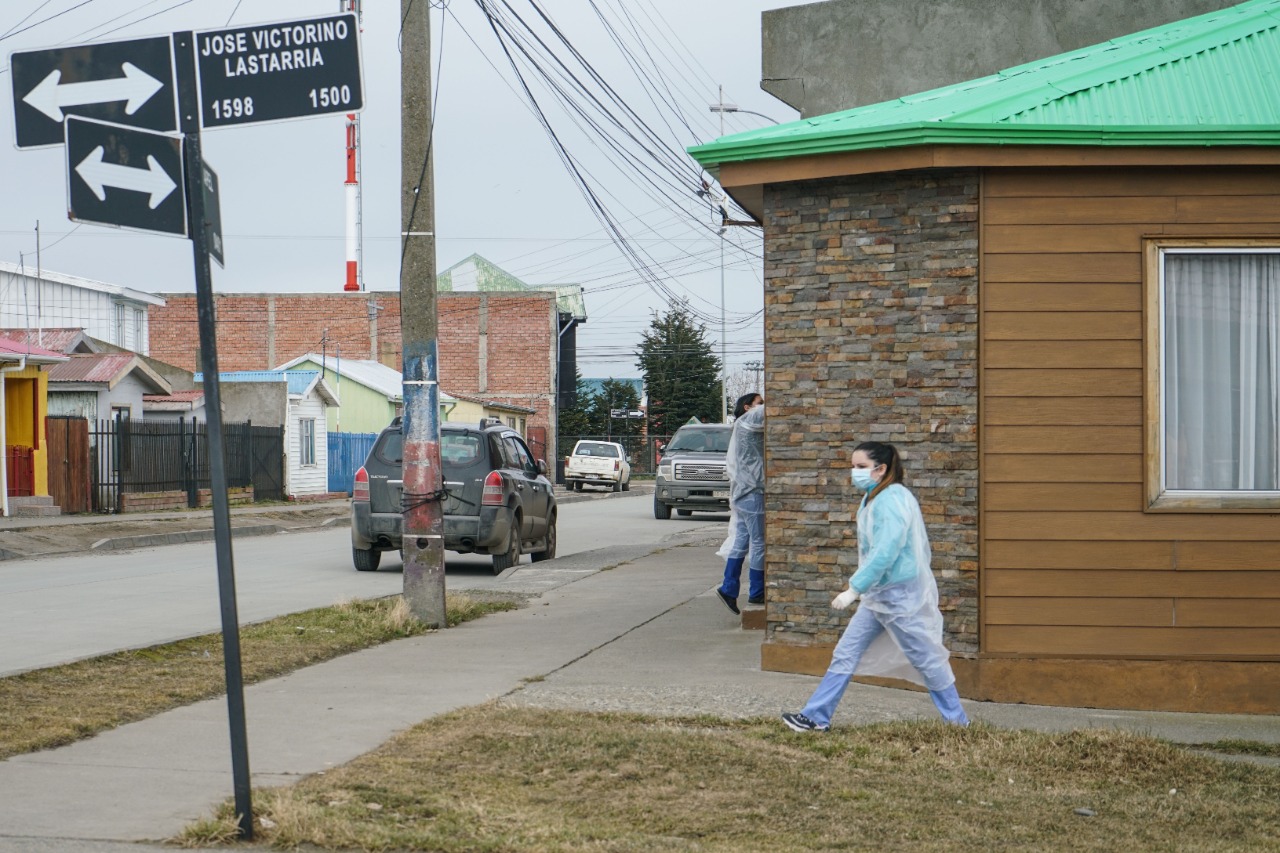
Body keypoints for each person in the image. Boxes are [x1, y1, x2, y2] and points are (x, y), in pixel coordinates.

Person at [782, 441, 968, 731]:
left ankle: (958, 723)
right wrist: (863, 590)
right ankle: (816, 716)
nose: (854, 472)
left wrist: (854, 589)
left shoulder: (892, 499)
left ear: (881, 469)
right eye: (853, 466)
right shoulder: (873, 497)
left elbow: (886, 551)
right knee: (846, 652)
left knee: (927, 659)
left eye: (861, 467)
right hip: (878, 596)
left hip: (901, 597)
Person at [715, 393, 765, 615]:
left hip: (744, 492)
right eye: (759, 403)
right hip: (753, 491)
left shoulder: (742, 425)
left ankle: (729, 588)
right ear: (747, 407)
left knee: (743, 541)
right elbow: (774, 411)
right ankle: (756, 592)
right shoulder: (748, 421)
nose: (762, 407)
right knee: (759, 542)